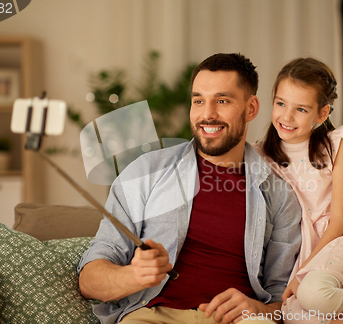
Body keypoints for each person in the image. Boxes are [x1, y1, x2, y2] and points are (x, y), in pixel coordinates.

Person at [78, 53, 302, 324]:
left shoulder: (278, 194)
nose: (207, 114)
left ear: (251, 108)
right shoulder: (146, 172)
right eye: (198, 101)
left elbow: (283, 298)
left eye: (222, 101)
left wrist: (260, 309)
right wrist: (134, 276)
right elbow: (89, 280)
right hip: (153, 316)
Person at [253, 57, 343, 324]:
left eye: (301, 109)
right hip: (302, 249)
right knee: (298, 317)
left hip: (342, 240)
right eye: (281, 103)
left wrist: (302, 273)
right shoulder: (261, 155)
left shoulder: (335, 146)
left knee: (313, 292)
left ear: (322, 113)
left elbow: (340, 220)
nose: (286, 116)